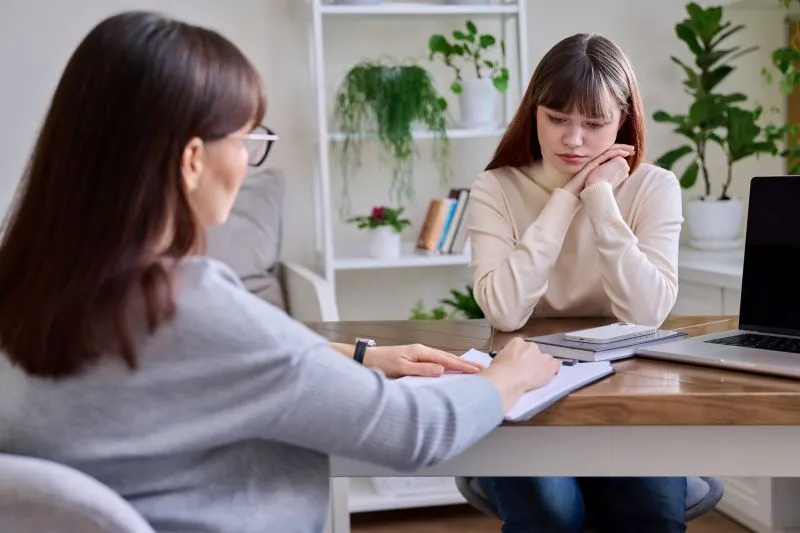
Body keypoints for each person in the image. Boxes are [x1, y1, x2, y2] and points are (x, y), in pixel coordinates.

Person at [0, 11, 563, 533]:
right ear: (192, 160)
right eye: (247, 139)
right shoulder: (184, 304)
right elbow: (409, 431)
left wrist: (362, 356)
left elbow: (191, 367)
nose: (249, 160)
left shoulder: (31, 284)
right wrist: (506, 377)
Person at [467, 33, 687, 532]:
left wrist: (601, 200)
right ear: (534, 111)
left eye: (595, 124)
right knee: (553, 514)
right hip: (526, 383)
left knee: (650, 514)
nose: (574, 140)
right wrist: (564, 201)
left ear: (624, 121)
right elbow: (504, 312)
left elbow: (647, 312)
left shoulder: (654, 187)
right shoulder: (496, 188)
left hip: (629, 387)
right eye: (558, 119)